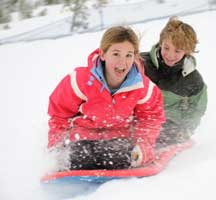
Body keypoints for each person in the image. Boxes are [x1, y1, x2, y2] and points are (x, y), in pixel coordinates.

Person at [47, 26, 165, 170]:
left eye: (129, 55)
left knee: (118, 158)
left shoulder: (142, 87)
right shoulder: (80, 81)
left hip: (119, 140)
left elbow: (150, 118)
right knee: (79, 159)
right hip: (82, 138)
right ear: (103, 54)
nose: (123, 62)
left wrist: (143, 146)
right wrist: (57, 148)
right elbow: (59, 115)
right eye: (116, 54)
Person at [140, 17, 207, 147]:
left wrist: (186, 129)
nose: (170, 55)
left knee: (163, 134)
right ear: (161, 43)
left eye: (177, 51)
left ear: (187, 51)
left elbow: (197, 109)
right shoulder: (142, 64)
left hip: (168, 124)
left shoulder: (192, 79)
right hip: (141, 120)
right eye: (166, 48)